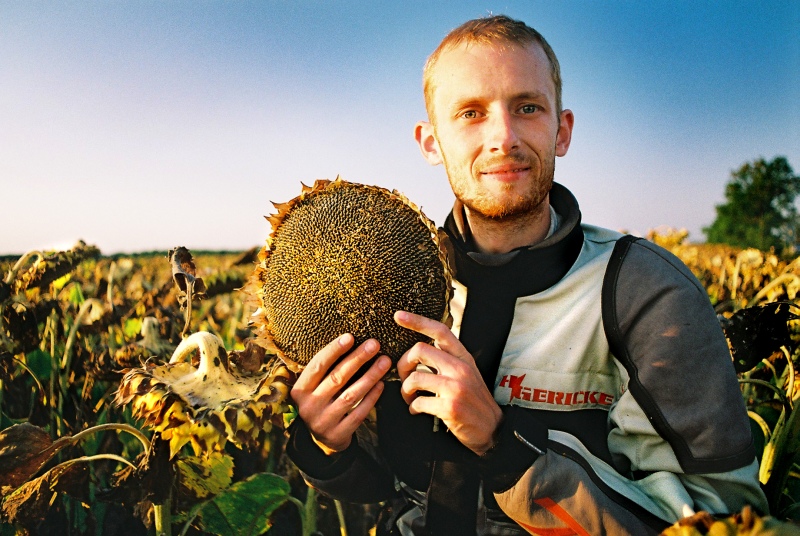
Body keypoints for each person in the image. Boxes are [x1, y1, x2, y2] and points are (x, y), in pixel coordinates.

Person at [285, 14, 768, 535]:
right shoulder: (382, 283)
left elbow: (720, 517)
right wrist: (326, 445)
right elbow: (390, 488)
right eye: (471, 113)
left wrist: (504, 444)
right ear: (431, 143)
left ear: (561, 131)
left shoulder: (644, 292)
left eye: (528, 108)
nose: (503, 137)